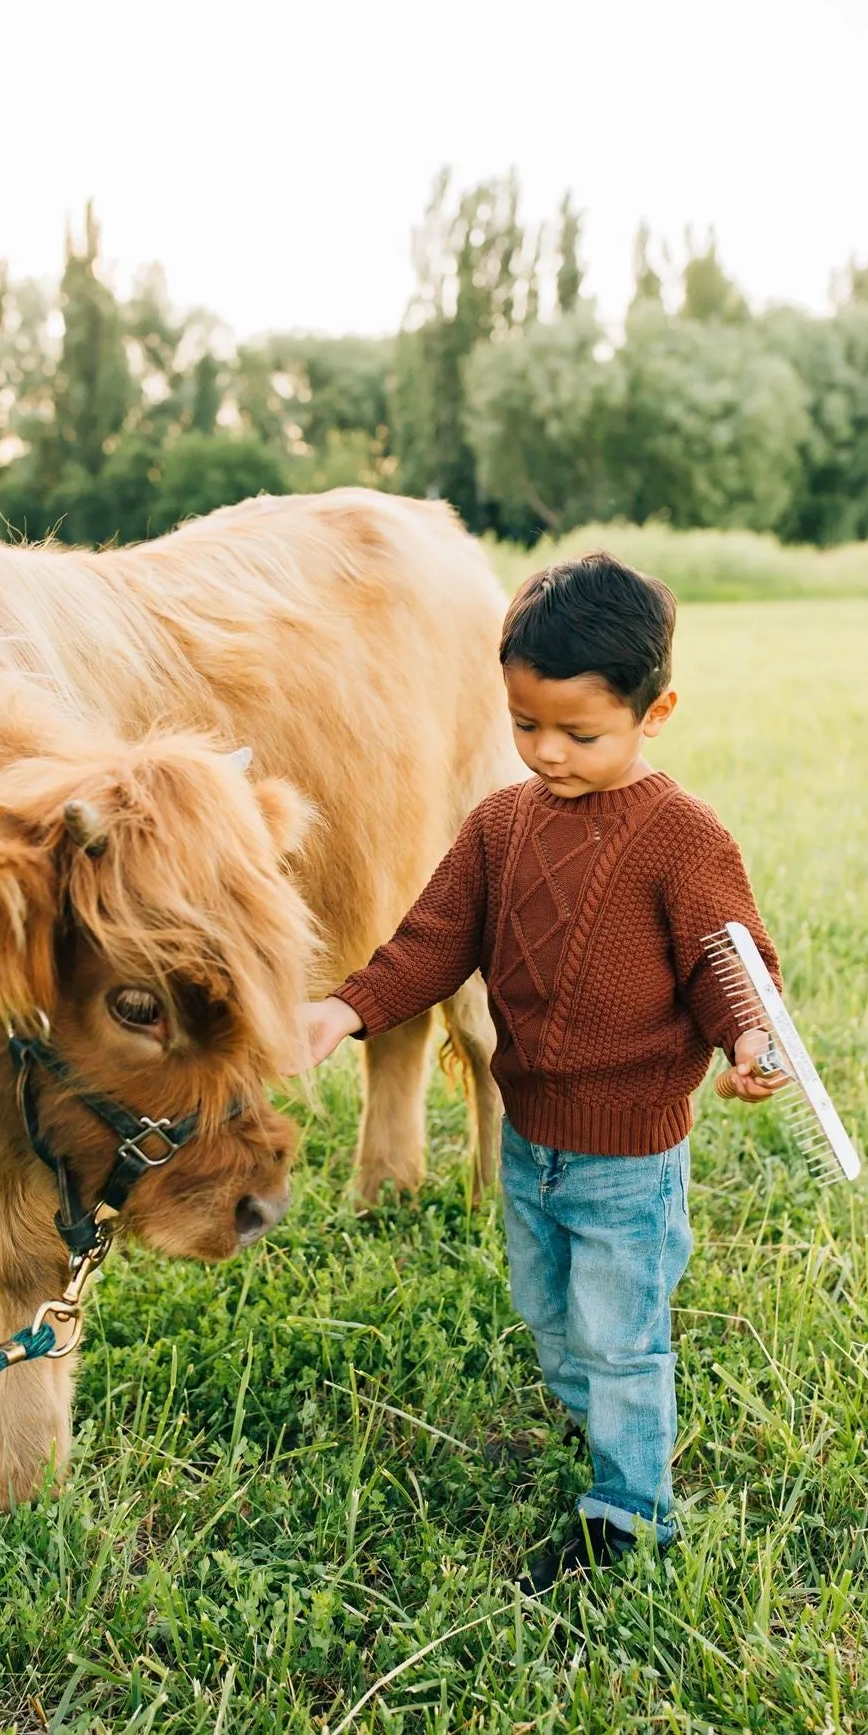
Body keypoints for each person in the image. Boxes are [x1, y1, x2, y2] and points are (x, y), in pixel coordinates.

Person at [299, 552, 784, 1591]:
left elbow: (728, 956)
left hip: (628, 1156)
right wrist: (347, 1005)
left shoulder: (683, 836)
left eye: (579, 732)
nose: (546, 753)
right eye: (525, 725)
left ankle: (630, 1512)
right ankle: (592, 1416)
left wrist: (749, 1039)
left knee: (621, 1332)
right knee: (549, 1309)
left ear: (656, 713)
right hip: (534, 1142)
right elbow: (433, 939)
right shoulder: (499, 825)